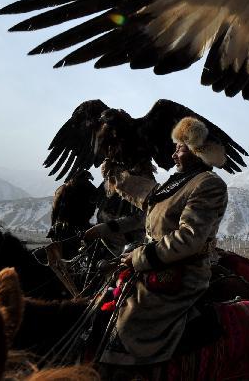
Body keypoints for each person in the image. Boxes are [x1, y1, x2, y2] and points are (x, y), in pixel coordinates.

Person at [98, 116, 229, 375]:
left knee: (129, 323)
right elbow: (147, 196)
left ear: (197, 152)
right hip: (155, 266)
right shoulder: (177, 182)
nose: (173, 154)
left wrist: (140, 257)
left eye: (180, 148)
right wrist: (115, 177)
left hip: (183, 275)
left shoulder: (208, 184)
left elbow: (190, 238)